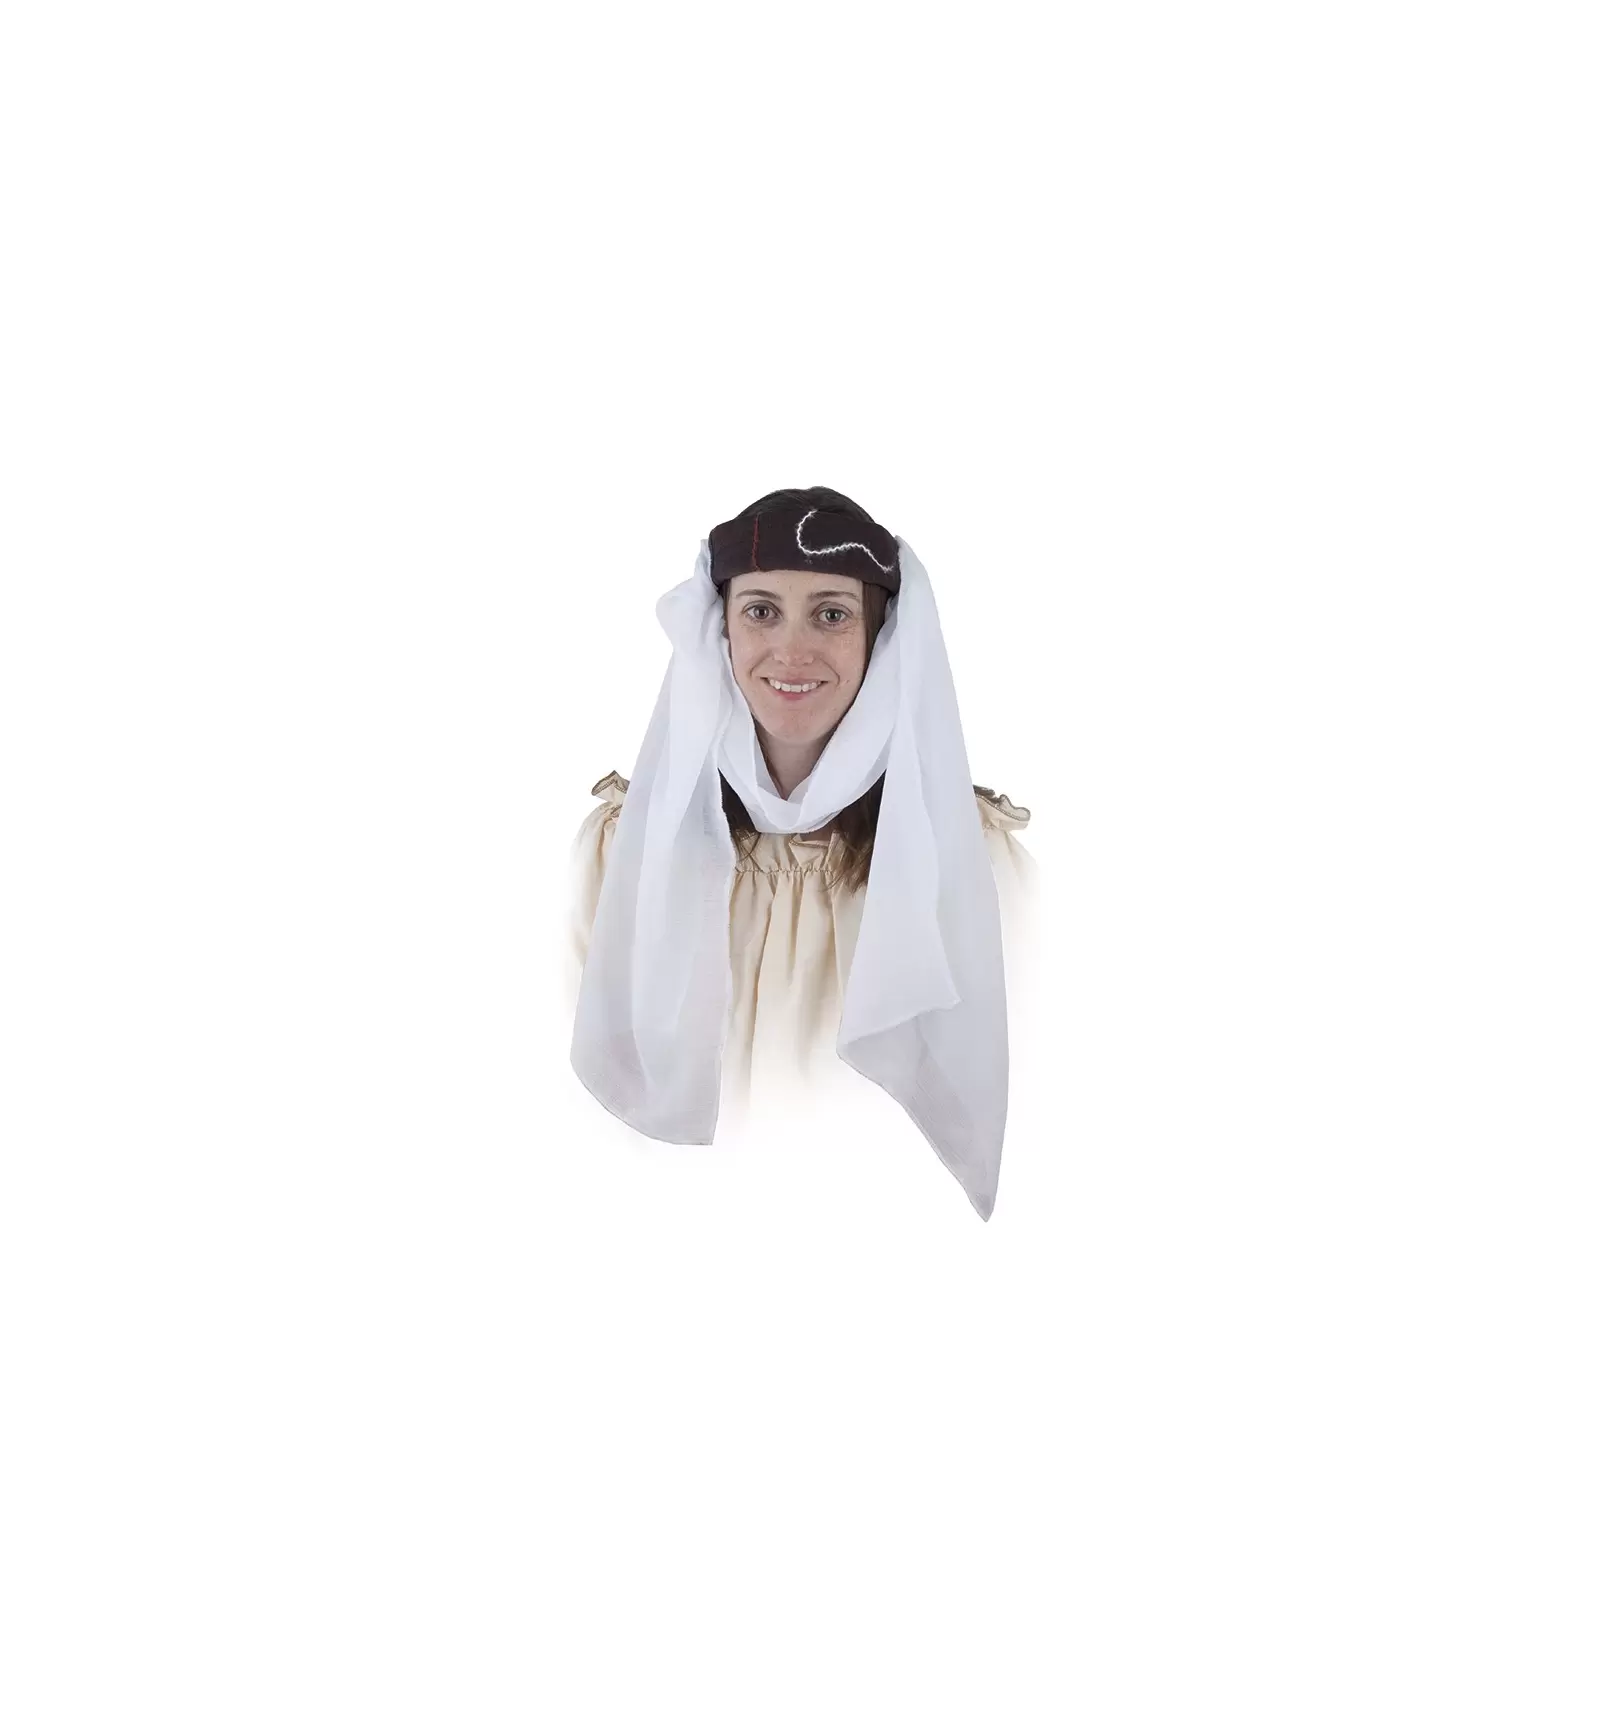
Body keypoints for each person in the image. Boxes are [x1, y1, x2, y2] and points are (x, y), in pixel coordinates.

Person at [566, 487, 1039, 1219]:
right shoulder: (626, 853)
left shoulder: (967, 864)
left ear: (881, 637)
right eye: (760, 611)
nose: (792, 651)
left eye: (831, 614)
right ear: (719, 631)